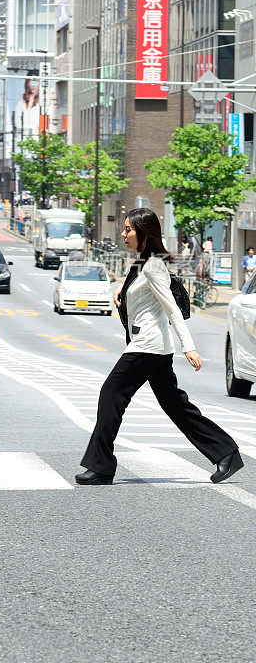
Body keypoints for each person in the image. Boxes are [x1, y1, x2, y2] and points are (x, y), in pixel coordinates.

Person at [76, 207, 242, 486]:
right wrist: (122, 292)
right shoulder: (144, 262)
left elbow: (172, 309)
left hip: (148, 345)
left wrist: (189, 347)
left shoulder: (153, 265)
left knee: (111, 394)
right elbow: (144, 295)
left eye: (128, 229)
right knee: (175, 404)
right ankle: (226, 452)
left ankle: (101, 467)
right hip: (153, 346)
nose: (124, 233)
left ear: (143, 232)